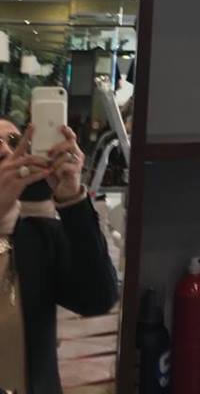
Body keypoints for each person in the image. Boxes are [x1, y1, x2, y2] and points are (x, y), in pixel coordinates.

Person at [0, 118, 119, 394]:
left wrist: (72, 199)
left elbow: (98, 298)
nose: (6, 150)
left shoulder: (40, 236)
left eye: (15, 142)